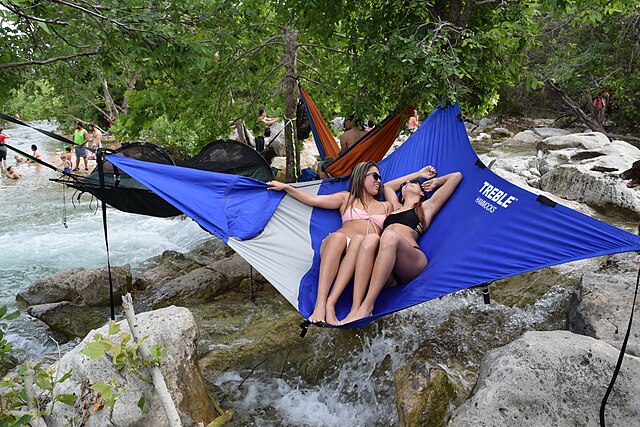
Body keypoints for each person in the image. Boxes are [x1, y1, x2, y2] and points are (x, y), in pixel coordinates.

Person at [267, 161, 393, 324]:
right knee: (338, 237)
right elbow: (313, 200)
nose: (379, 181)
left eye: (380, 178)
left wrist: (418, 176)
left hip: (364, 251)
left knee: (361, 240)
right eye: (375, 176)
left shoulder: (386, 206)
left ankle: (331, 305)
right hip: (338, 245)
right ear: (361, 177)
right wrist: (287, 188)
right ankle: (321, 305)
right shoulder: (346, 198)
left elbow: (393, 193)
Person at [340, 166, 462, 324]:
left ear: (422, 192)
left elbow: (456, 176)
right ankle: (355, 308)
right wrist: (417, 174)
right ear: (402, 195)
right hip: (387, 270)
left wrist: (435, 182)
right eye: (405, 184)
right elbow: (388, 186)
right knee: (370, 239)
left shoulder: (426, 207)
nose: (408, 183)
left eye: (415, 183)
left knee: (390, 236)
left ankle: (367, 306)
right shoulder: (395, 207)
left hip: (411, 260)